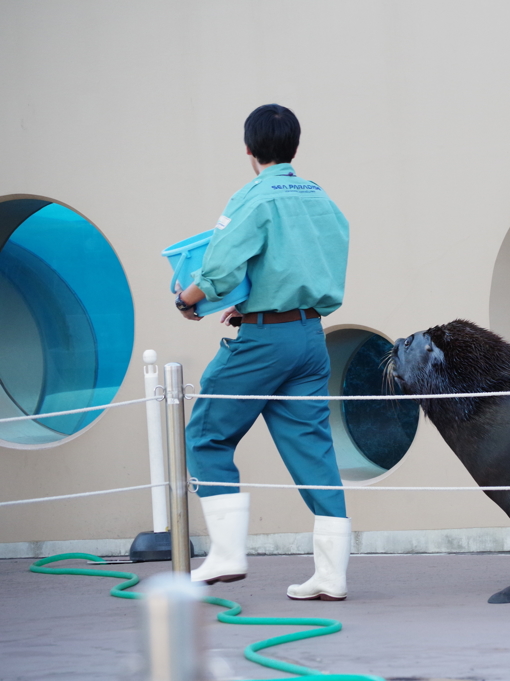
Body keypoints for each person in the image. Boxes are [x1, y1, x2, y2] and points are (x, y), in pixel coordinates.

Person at [173, 104, 351, 601]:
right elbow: (307, 264)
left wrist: (189, 299)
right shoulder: (322, 198)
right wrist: (253, 306)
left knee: (207, 435)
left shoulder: (252, 197)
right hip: (310, 336)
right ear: (295, 146)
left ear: (249, 150)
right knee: (313, 451)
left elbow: (222, 268)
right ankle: (331, 576)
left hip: (265, 342)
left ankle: (228, 555)